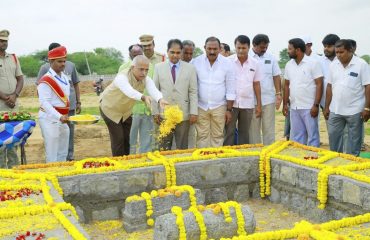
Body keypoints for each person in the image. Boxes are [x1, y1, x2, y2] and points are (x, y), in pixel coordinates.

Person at [99, 55, 167, 156]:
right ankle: (118, 166)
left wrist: (160, 99)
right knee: (118, 139)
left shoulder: (145, 79)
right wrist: (143, 97)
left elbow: (153, 89)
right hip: (109, 109)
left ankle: (126, 161)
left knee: (127, 138)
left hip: (125, 112)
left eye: (146, 70)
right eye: (141, 69)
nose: (144, 73)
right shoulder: (121, 77)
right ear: (132, 67)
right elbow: (129, 91)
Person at [324, 39, 370, 156]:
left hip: (355, 110)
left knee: (354, 140)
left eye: (341, 52)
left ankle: (351, 165)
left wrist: (367, 108)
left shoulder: (362, 64)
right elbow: (329, 86)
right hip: (336, 109)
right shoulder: (333, 65)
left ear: (350, 51)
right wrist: (327, 106)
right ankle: (335, 160)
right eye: (337, 52)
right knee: (333, 137)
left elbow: (368, 86)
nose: (338, 55)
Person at [37, 43, 81, 161]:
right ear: (51, 62)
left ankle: (62, 177)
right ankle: (51, 178)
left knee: (63, 152)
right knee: (52, 153)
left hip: (63, 118)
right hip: (49, 118)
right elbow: (44, 103)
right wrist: (59, 116)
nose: (63, 64)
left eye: (64, 61)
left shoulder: (65, 78)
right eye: (59, 61)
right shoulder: (46, 80)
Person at [153, 39, 198, 150]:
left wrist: (193, 112)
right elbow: (154, 91)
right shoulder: (159, 67)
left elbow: (193, 91)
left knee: (182, 146)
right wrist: (155, 111)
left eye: (178, 53)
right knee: (164, 146)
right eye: (172, 52)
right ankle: (165, 166)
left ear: (181, 52)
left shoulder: (190, 68)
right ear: (167, 52)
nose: (175, 55)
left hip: (183, 114)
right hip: (164, 114)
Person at [192, 36, 236, 148]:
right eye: (209, 48)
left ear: (219, 48)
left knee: (218, 135)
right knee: (202, 135)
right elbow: (193, 86)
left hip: (220, 106)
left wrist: (229, 110)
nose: (212, 51)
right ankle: (204, 160)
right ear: (204, 48)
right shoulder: (196, 62)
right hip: (201, 106)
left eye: (215, 49)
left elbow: (231, 87)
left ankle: (215, 161)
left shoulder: (227, 63)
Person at [282, 38, 323, 147]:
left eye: (290, 49)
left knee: (312, 136)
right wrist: (285, 104)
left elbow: (319, 84)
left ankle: (313, 161)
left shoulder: (313, 63)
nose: (288, 51)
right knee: (297, 137)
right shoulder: (288, 65)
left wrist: (316, 105)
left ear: (298, 50)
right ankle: (299, 160)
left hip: (309, 107)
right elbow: (286, 85)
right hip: (294, 107)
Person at [224, 35, 262, 146]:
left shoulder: (255, 63)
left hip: (247, 104)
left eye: (244, 48)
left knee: (244, 133)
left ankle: (243, 157)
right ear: (235, 47)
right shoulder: (227, 61)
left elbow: (256, 84)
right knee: (229, 132)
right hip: (231, 104)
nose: (241, 50)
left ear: (249, 47)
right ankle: (227, 155)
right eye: (238, 47)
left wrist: (259, 104)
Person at [119, 44, 155, 154]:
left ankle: (145, 164)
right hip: (130, 112)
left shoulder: (151, 67)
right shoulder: (123, 68)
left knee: (146, 140)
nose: (137, 57)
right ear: (130, 55)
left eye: (139, 54)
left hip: (147, 110)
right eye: (134, 55)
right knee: (131, 140)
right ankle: (132, 164)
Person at [249, 34, 282, 145]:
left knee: (269, 129)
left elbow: (276, 75)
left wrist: (278, 94)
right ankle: (256, 152)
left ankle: (269, 153)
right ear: (254, 45)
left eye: (266, 47)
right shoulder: (247, 57)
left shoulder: (270, 57)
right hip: (251, 101)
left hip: (268, 99)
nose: (264, 49)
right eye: (262, 47)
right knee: (253, 130)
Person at [0, 29, 24, 168]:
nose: (4, 43)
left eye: (6, 41)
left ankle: (15, 169)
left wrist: (15, 95)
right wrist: (6, 98)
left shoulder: (14, 58)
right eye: (1, 41)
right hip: (1, 106)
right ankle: (2, 173)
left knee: (14, 138)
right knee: (1, 140)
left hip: (13, 105)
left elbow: (20, 79)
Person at [181, 40, 196, 148]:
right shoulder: (172, 65)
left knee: (190, 136)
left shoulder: (195, 66)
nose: (188, 56)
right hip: (173, 108)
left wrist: (193, 111)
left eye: (191, 53)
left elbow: (194, 91)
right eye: (186, 53)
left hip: (190, 108)